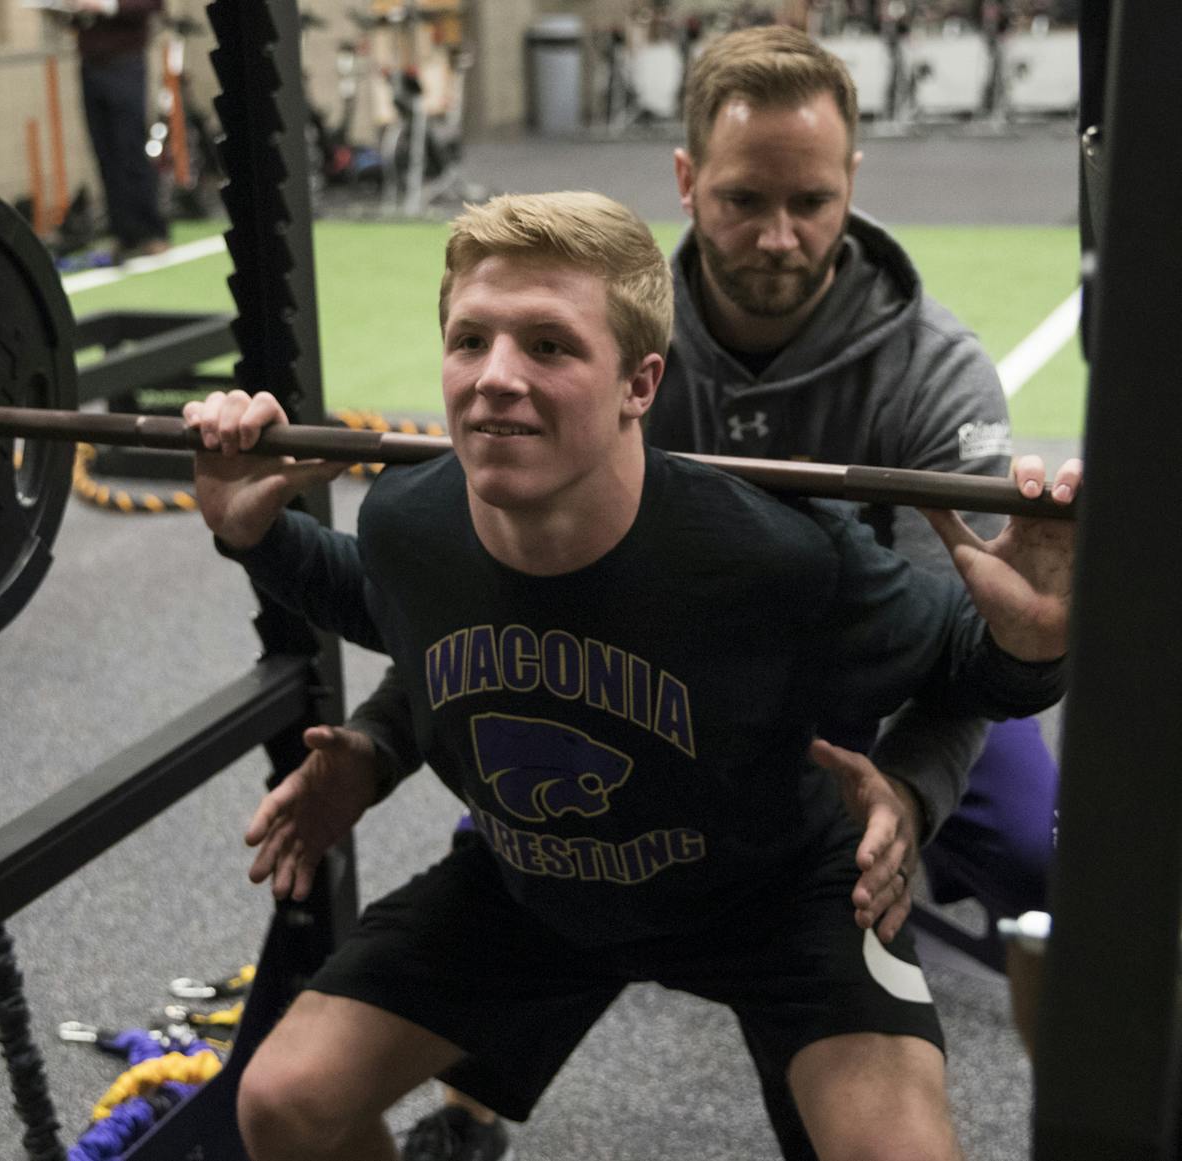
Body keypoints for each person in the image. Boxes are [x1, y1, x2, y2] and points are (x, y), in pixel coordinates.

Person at [185, 190, 1079, 1161]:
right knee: (282, 1103)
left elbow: (961, 665)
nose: (493, 378)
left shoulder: (773, 559)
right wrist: (259, 536)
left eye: (548, 347)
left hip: (774, 897)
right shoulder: (410, 521)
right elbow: (376, 603)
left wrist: (1028, 642)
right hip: (534, 888)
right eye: (468, 339)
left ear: (639, 383)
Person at [70, 0, 169, 260]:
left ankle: (151, 231)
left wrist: (105, 5)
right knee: (104, 151)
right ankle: (124, 233)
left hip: (125, 62)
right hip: (91, 63)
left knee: (130, 148)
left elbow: (153, 5)